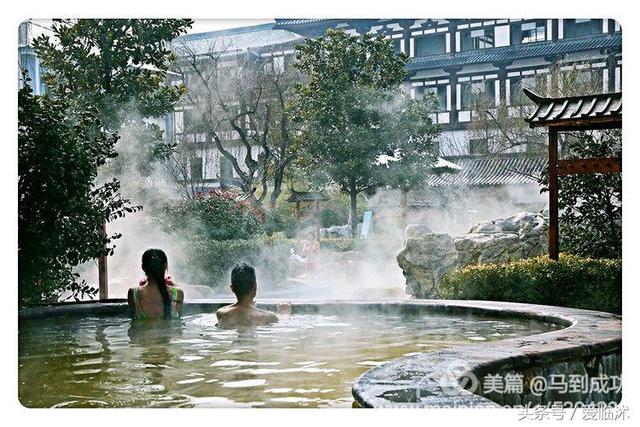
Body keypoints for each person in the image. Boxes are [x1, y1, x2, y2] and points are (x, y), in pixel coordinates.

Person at [216, 263, 290, 328]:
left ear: (232, 288)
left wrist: (251, 307)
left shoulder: (222, 313)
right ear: (255, 287)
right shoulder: (268, 317)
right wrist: (284, 313)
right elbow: (282, 325)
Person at [128, 249, 184, 320]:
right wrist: (173, 285)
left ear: (143, 267)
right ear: (165, 265)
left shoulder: (133, 293)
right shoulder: (178, 293)